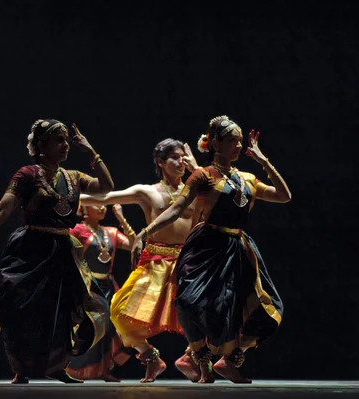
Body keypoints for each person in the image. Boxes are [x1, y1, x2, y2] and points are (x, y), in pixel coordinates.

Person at [131, 116, 290, 384]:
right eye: (231, 141)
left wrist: (263, 161)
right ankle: (202, 360)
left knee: (266, 308)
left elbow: (284, 196)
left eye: (240, 141)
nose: (238, 146)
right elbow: (176, 208)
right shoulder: (202, 176)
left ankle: (230, 360)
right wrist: (144, 233)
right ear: (215, 143)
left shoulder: (248, 179)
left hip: (238, 250)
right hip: (205, 247)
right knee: (188, 301)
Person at [0, 119, 115, 383]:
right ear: (40, 145)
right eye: (59, 139)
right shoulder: (27, 175)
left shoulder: (74, 177)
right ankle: (22, 368)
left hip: (63, 251)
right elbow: (2, 209)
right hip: (31, 249)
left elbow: (106, 188)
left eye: (67, 140)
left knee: (63, 310)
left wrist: (91, 152)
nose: (66, 144)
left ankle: (58, 366)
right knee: (21, 309)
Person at [80, 138, 202, 382]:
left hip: (188, 261)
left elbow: (218, 191)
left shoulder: (196, 188)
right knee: (118, 310)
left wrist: (196, 167)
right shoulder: (146, 192)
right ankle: (149, 357)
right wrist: (67, 199)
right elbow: (104, 198)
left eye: (182, 157)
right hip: (155, 261)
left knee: (202, 314)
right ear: (160, 162)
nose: (181, 161)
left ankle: (192, 357)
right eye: (174, 158)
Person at [65, 204, 135, 382]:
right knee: (101, 324)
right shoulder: (77, 230)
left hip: (109, 285)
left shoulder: (110, 231)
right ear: (85, 208)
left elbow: (133, 244)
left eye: (104, 204)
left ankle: (106, 369)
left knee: (122, 327)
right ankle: (71, 366)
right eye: (97, 203)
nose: (102, 207)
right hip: (88, 285)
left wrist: (121, 218)